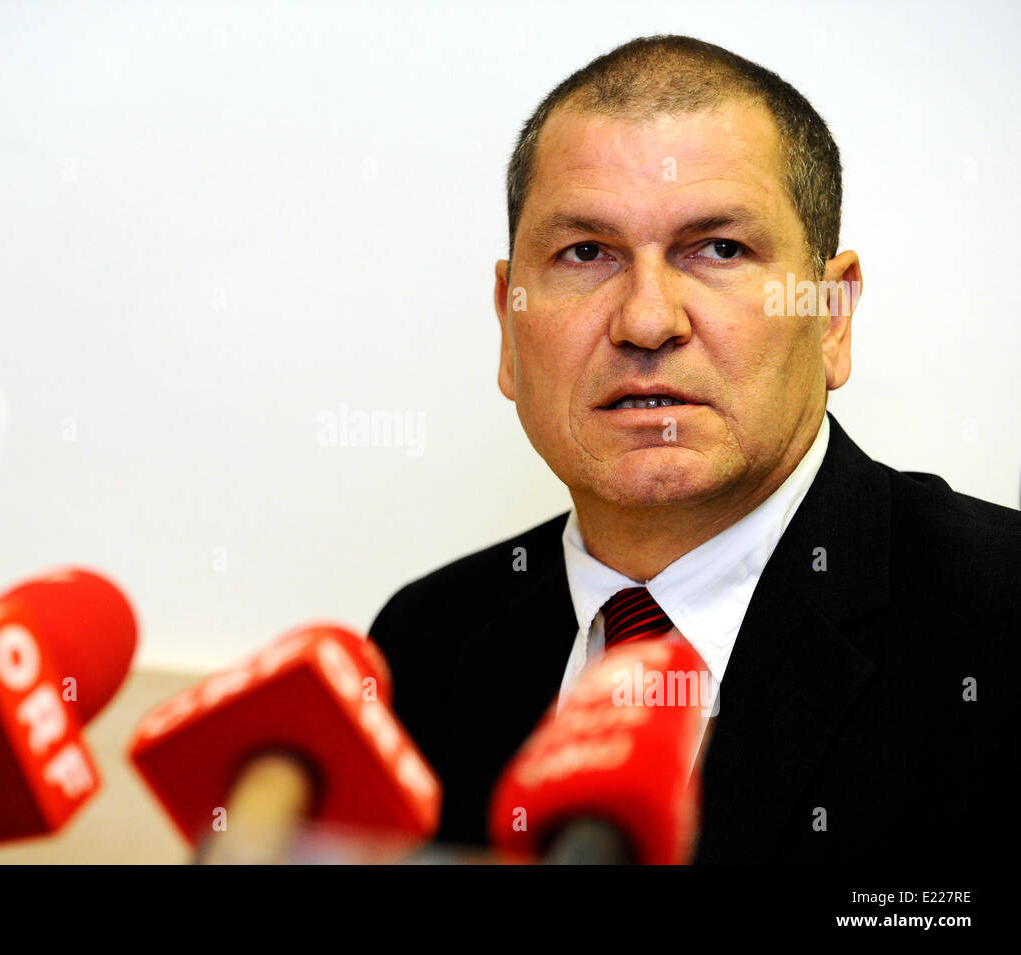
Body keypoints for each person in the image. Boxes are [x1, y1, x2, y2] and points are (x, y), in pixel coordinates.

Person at [368, 34, 1018, 864]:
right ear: (507, 322)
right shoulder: (423, 645)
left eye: (718, 249)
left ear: (831, 315)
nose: (647, 321)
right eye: (586, 254)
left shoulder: (999, 623)